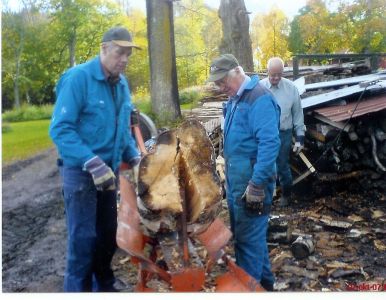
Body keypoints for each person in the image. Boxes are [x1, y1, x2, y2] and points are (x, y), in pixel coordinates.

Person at [49, 26, 141, 292]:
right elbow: (60, 129)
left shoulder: (121, 84)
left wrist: (134, 159)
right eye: (119, 52)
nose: (124, 59)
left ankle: (104, 285)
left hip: (108, 174)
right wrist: (91, 161)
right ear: (103, 49)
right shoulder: (78, 79)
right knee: (83, 240)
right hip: (80, 173)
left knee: (107, 237)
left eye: (128, 54)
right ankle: (77, 290)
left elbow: (122, 131)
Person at [208, 54, 280, 291]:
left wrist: (257, 184)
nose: (221, 87)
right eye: (217, 83)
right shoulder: (237, 99)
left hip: (252, 186)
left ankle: (249, 290)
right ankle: (266, 286)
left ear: (238, 71)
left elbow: (270, 144)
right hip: (237, 185)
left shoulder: (259, 99)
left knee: (248, 243)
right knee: (251, 239)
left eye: (223, 81)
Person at [260, 57, 305, 207]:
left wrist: (300, 138)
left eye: (279, 74)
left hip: (283, 134)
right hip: (264, 134)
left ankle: (286, 195)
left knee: (282, 165)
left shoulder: (291, 89)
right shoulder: (259, 89)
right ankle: (265, 197)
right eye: (273, 75)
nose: (276, 78)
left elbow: (298, 114)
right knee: (263, 165)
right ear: (267, 72)